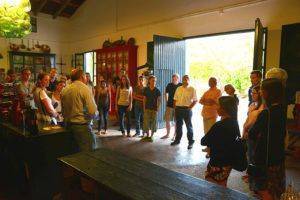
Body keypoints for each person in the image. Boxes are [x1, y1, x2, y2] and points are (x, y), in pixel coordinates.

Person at [248, 78, 286, 200]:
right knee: (276, 187)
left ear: (267, 93)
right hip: (278, 154)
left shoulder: (266, 113)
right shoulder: (282, 109)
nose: (260, 93)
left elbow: (252, 133)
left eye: (262, 90)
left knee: (264, 189)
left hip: (265, 156)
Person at [201, 96, 240, 187]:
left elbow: (203, 141)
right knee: (222, 184)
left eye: (218, 106)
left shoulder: (219, 126)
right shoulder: (234, 122)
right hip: (228, 161)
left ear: (224, 109)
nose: (216, 108)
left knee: (213, 185)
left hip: (218, 161)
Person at [61, 69, 98, 151]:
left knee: (73, 154)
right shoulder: (84, 88)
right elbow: (92, 111)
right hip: (82, 127)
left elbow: (63, 111)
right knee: (88, 155)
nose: (86, 78)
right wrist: (92, 118)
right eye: (85, 76)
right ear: (82, 76)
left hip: (68, 126)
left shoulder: (65, 90)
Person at [171, 75, 197, 149]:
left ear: (189, 80)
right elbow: (175, 99)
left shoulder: (192, 89)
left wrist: (189, 108)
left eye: (186, 79)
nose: (185, 81)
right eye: (183, 79)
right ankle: (177, 140)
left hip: (187, 110)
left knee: (189, 126)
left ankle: (190, 142)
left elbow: (195, 100)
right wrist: (175, 108)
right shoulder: (178, 88)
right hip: (178, 109)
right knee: (178, 126)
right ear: (182, 80)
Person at [199, 77, 221, 157]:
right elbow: (200, 100)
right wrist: (208, 101)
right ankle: (208, 147)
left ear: (215, 82)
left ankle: (210, 151)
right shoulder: (207, 92)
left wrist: (209, 101)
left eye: (212, 81)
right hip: (205, 114)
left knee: (211, 133)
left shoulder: (218, 91)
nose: (210, 83)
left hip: (212, 114)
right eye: (209, 81)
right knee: (206, 132)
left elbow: (216, 101)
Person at [161, 73, 182, 139]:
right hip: (169, 105)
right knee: (167, 120)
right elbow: (166, 93)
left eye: (175, 78)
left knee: (176, 121)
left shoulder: (181, 85)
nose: (174, 80)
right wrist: (167, 100)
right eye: (173, 79)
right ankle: (168, 134)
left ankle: (175, 135)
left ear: (178, 79)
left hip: (178, 106)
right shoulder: (169, 85)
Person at [141, 75, 161, 142]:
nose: (154, 82)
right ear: (149, 81)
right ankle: (147, 135)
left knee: (153, 122)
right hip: (147, 108)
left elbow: (159, 100)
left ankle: (151, 136)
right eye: (153, 80)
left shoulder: (157, 90)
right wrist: (144, 108)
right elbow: (144, 99)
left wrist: (158, 108)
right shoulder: (146, 89)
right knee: (146, 122)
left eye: (155, 81)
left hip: (154, 109)